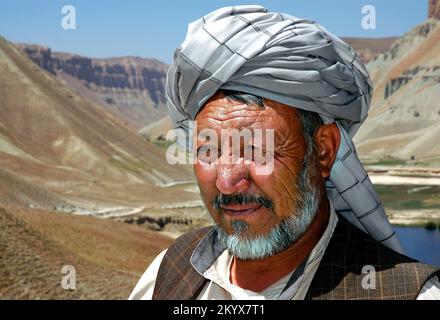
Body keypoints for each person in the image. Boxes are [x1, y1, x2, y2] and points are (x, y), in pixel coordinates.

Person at [130, 5, 440, 300]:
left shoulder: (405, 292)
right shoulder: (170, 270)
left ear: (323, 151)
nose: (226, 182)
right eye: (208, 150)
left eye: (255, 149)